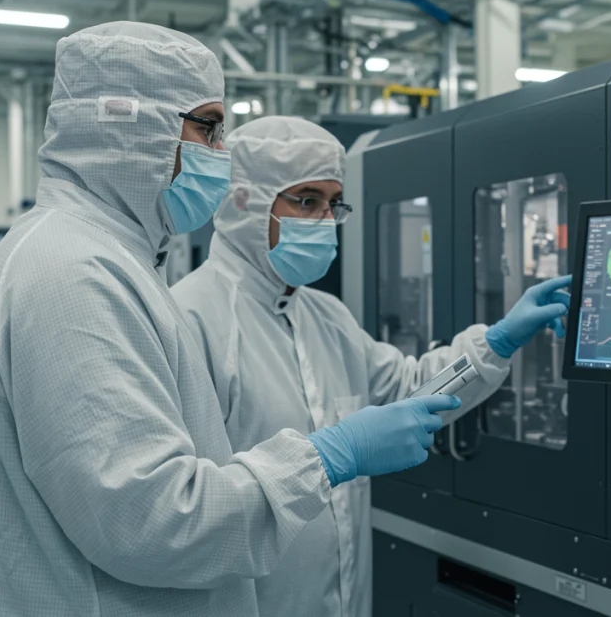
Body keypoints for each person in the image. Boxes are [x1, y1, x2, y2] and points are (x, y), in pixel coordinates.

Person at [0, 22, 457, 617]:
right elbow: (151, 519)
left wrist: (491, 348)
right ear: (130, 122)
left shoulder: (109, 260)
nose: (221, 155)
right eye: (209, 128)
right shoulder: (73, 273)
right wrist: (330, 455)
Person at [171, 116, 572, 617]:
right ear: (242, 203)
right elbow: (185, 507)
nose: (322, 219)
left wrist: (496, 342)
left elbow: (409, 390)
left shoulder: (325, 316)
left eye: (332, 204)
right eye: (305, 200)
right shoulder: (190, 319)